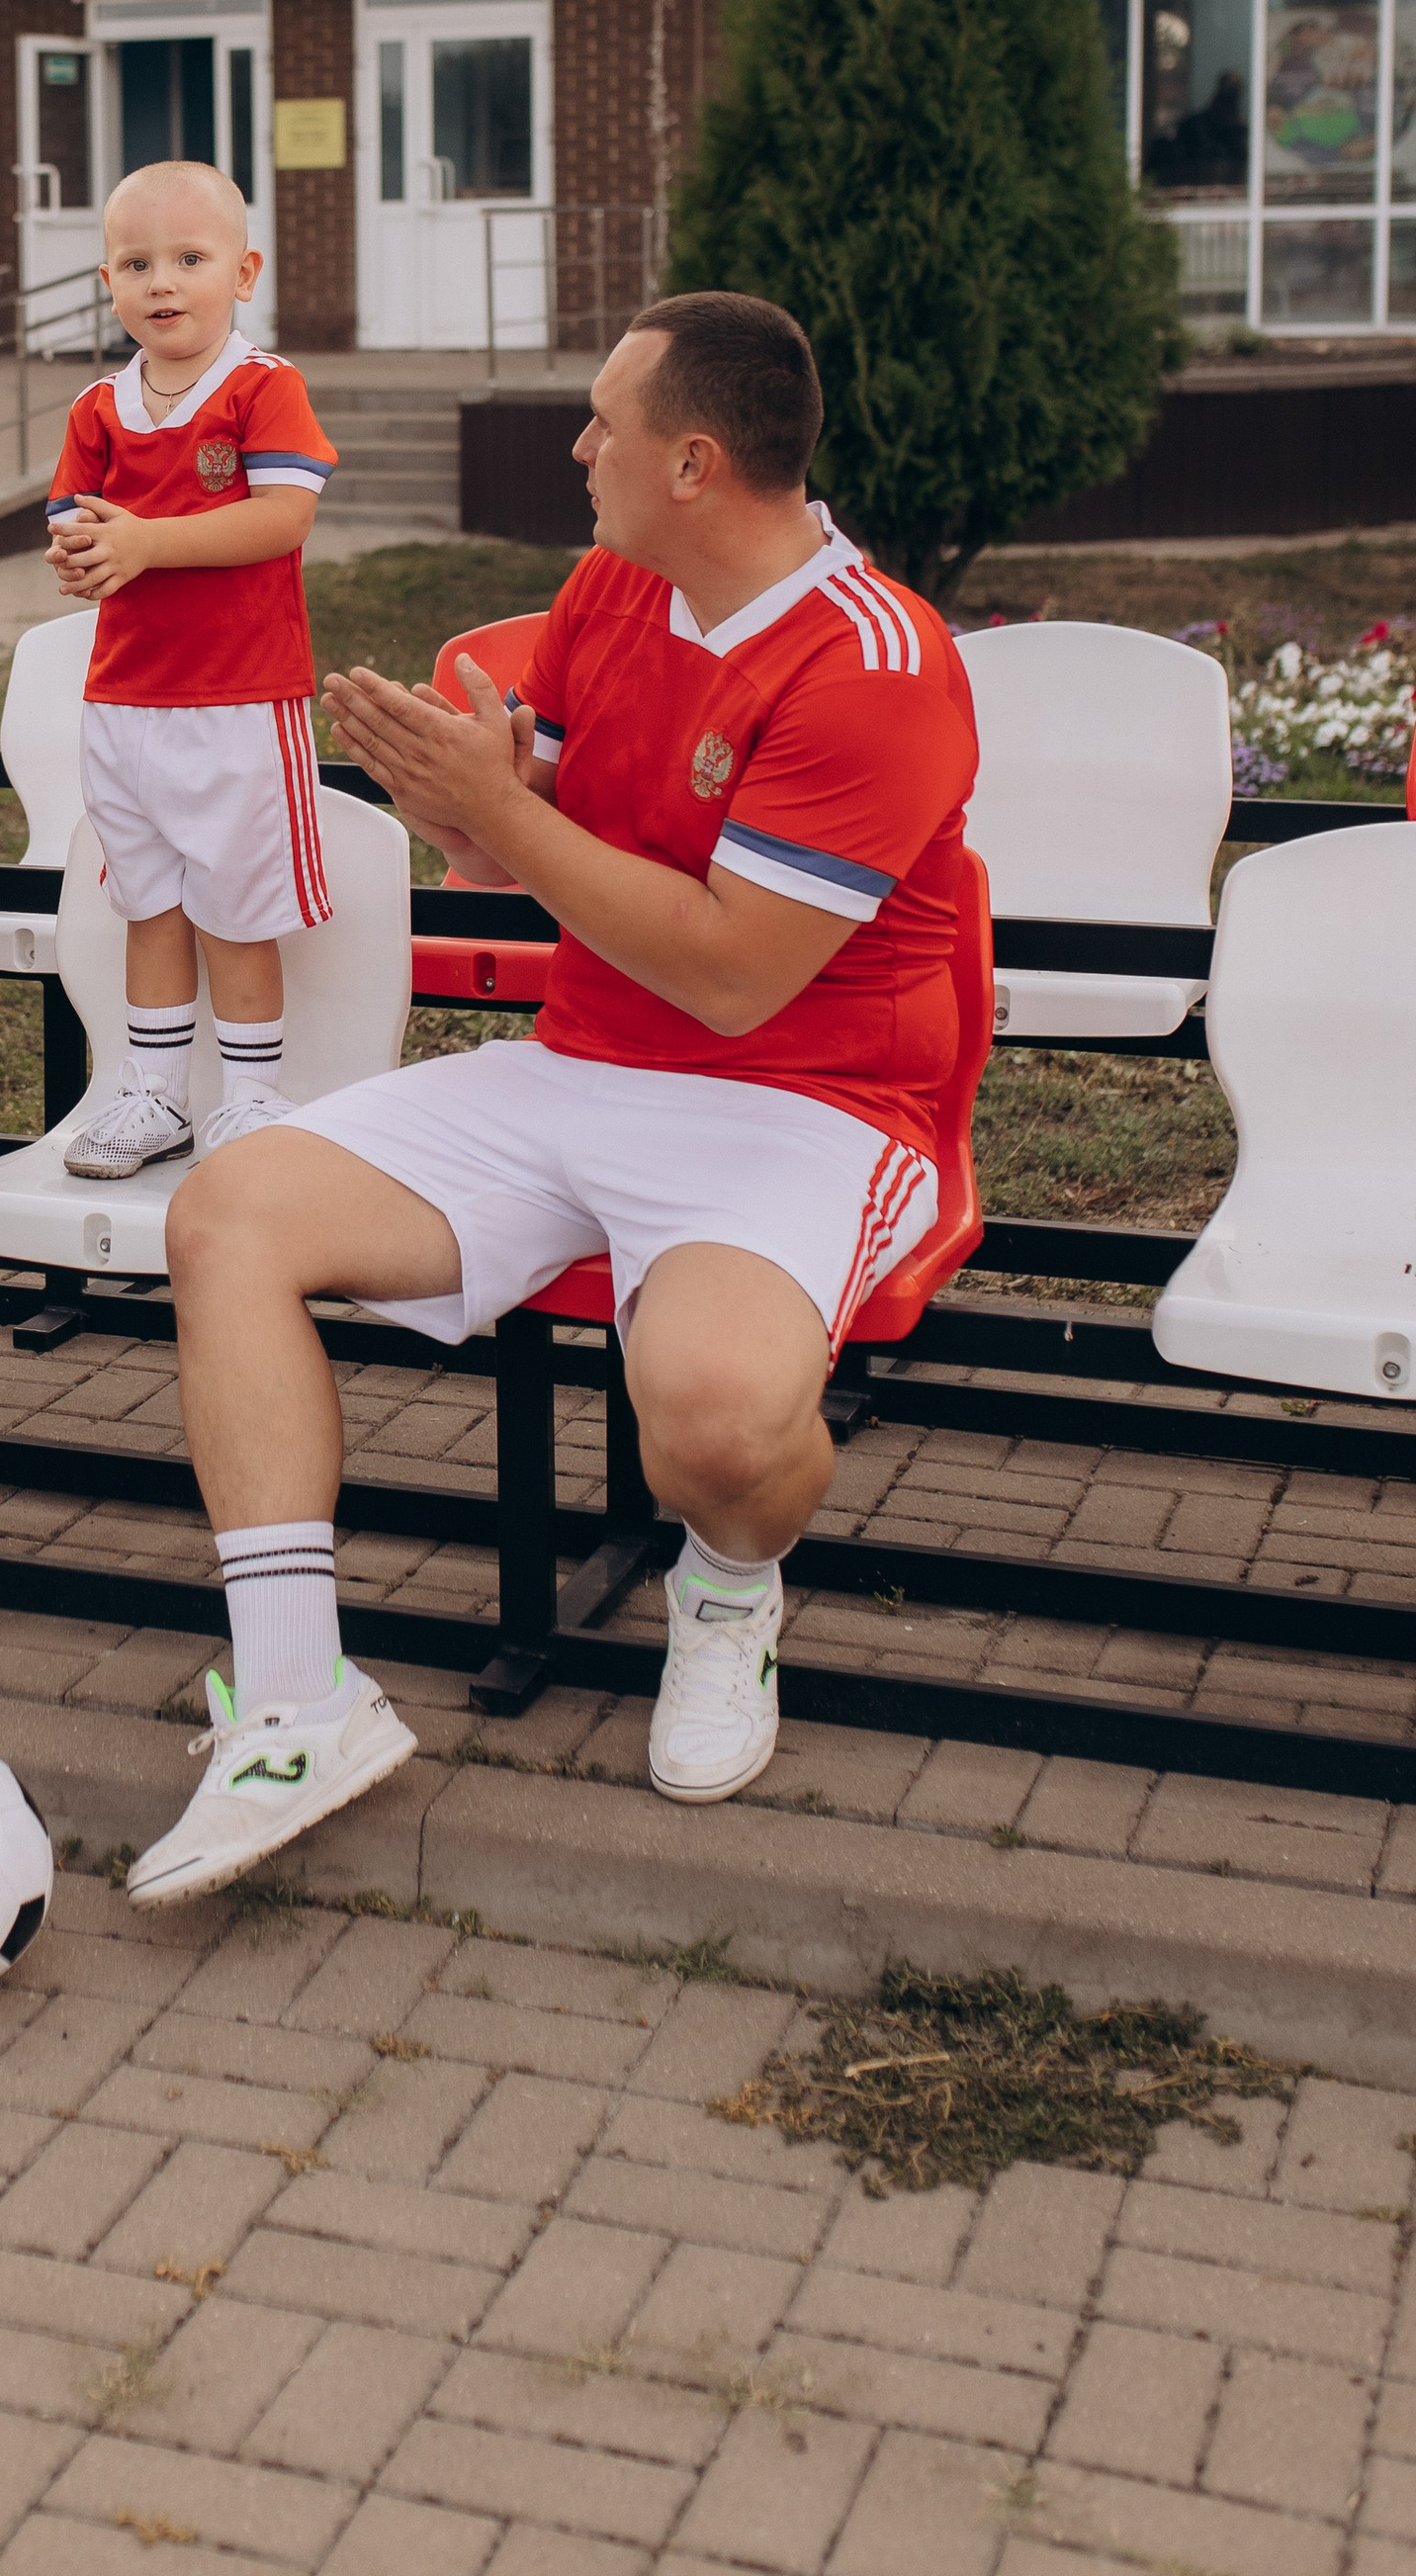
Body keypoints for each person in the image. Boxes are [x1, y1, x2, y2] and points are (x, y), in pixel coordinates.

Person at [126, 292, 978, 1908]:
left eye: (606, 422)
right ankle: (300, 1701)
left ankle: (731, 1589)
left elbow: (734, 972)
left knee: (714, 1426)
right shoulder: (611, 586)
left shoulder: (882, 662)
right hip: (584, 1068)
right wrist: (475, 806)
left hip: (806, 1104)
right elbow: (556, 859)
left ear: (697, 464)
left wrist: (500, 822)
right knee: (227, 1213)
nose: (580, 446)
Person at [46, 160, 337, 1177]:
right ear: (106, 283)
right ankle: (155, 1097)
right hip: (124, 704)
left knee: (238, 907)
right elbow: (73, 518)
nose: (161, 282)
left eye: (189, 258)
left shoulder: (264, 387)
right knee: (150, 904)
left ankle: (254, 1101)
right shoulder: (97, 407)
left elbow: (282, 516)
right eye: (136, 263)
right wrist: (80, 551)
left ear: (243, 272)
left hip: (239, 702)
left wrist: (147, 545)